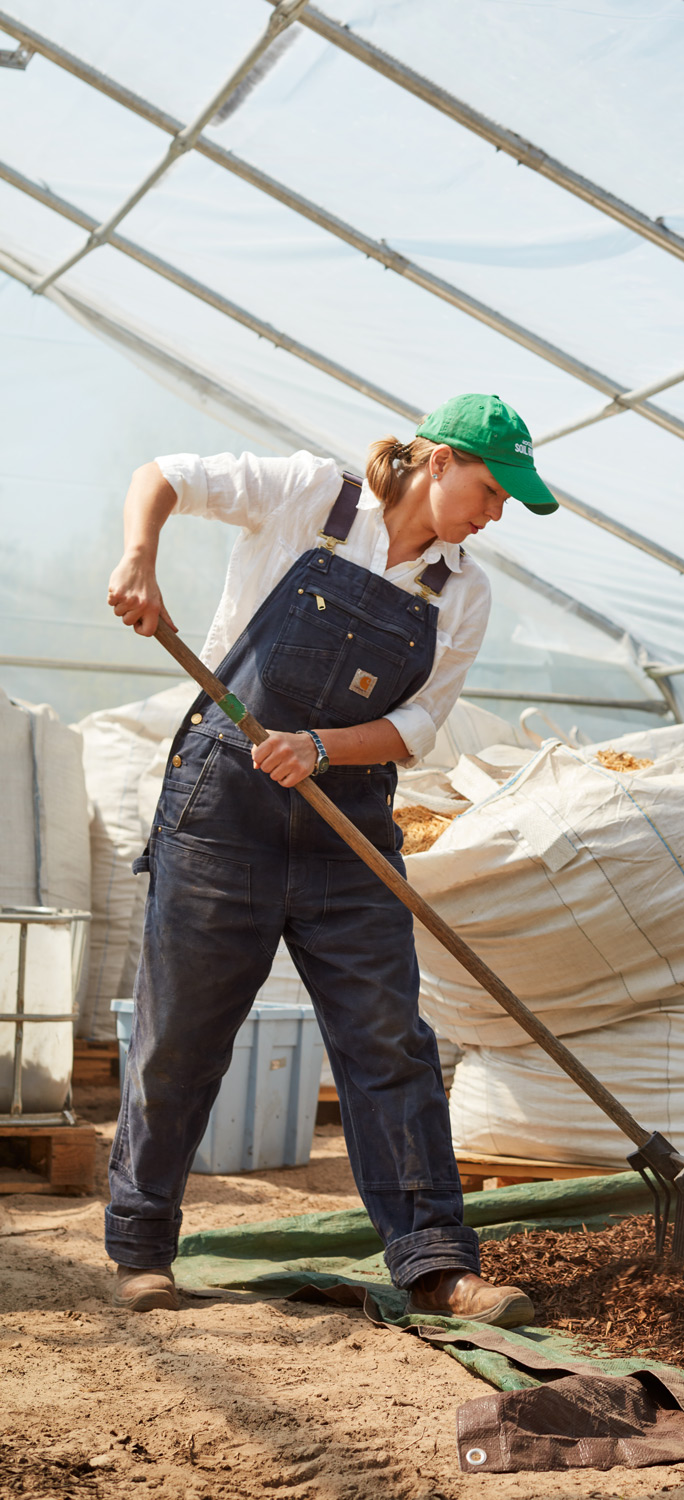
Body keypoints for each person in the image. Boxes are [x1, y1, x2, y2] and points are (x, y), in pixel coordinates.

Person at [104, 393, 557, 1323]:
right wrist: (139, 559)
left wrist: (319, 747)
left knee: (389, 1042)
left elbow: (419, 725)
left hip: (344, 827)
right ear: (436, 463)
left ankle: (436, 1263)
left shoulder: (461, 592)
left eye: (508, 499)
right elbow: (164, 478)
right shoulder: (313, 496)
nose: (495, 511)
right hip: (222, 809)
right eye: (489, 487)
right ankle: (143, 1247)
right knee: (180, 1039)